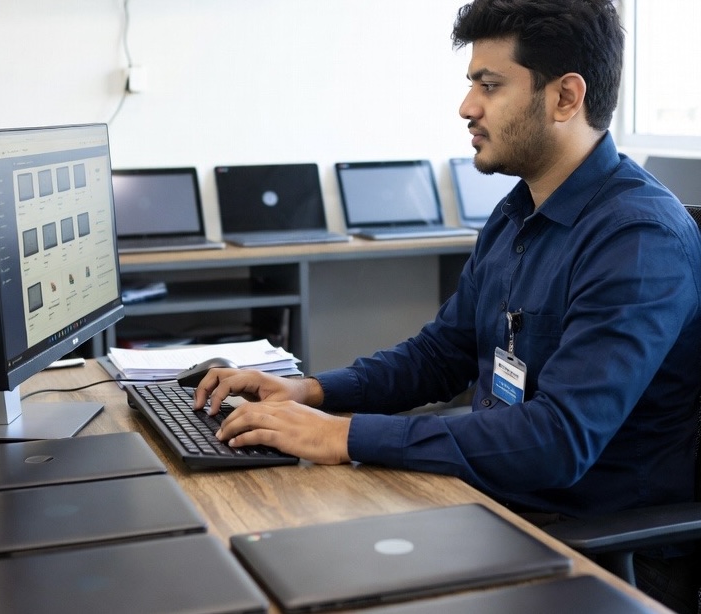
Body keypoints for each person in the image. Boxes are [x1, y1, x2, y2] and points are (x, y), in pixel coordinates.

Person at [194, 1, 701, 611]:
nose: (467, 107)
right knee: (267, 553)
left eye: (490, 86)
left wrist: (346, 435)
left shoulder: (638, 241)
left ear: (565, 98)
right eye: (471, 85)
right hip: (497, 506)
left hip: (599, 551)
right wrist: (312, 392)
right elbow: (441, 354)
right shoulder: (518, 212)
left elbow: (557, 440)